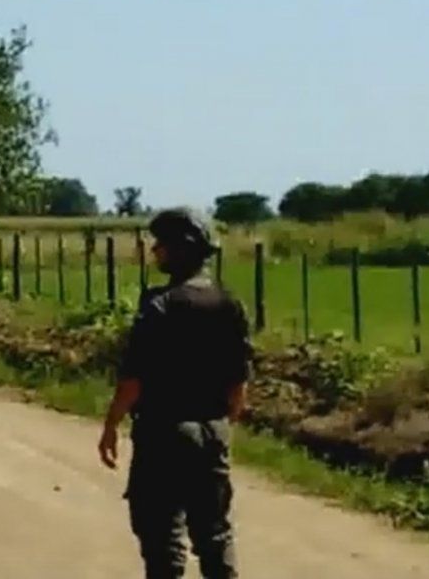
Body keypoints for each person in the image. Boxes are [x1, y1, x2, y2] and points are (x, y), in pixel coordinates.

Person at [98, 209, 252, 579]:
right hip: (213, 430)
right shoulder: (229, 305)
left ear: (182, 250)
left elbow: (133, 380)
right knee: (214, 534)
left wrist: (111, 425)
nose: (155, 251)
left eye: (162, 245)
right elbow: (239, 383)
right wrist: (221, 426)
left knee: (162, 535)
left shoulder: (159, 306)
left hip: (164, 431)